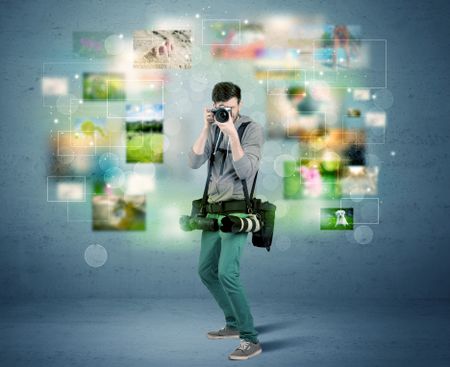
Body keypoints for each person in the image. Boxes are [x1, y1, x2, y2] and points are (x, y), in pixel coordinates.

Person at [187, 82, 264, 360]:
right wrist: (207, 127)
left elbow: (246, 171)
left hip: (237, 213)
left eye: (230, 109)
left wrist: (231, 133)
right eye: (220, 110)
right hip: (212, 212)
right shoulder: (214, 127)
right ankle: (232, 323)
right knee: (206, 271)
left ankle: (250, 338)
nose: (225, 114)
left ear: (239, 104)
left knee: (227, 273)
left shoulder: (250, 129)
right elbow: (194, 162)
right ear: (214, 107)